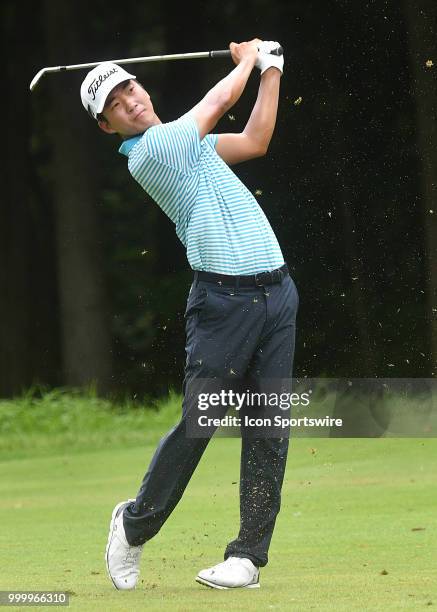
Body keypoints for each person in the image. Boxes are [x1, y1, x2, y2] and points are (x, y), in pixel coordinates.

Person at [80, 38, 299, 590]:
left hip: (277, 294)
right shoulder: (153, 153)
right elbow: (217, 103)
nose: (129, 100)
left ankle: (247, 557)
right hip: (223, 303)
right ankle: (133, 526)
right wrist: (247, 58)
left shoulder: (189, 143)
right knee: (201, 423)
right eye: (114, 103)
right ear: (107, 126)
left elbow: (254, 140)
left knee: (270, 428)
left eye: (129, 86)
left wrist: (271, 72)